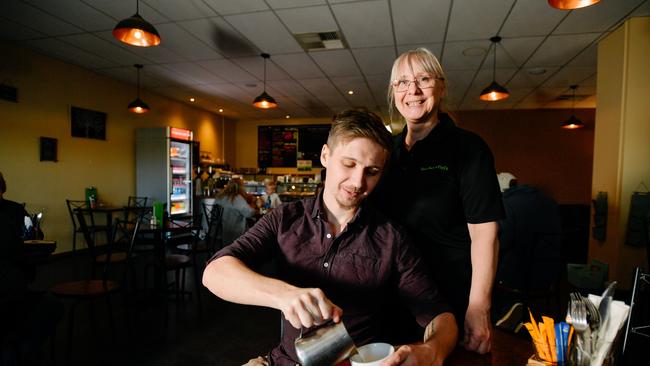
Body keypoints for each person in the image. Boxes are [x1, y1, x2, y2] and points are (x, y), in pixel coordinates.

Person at [203, 110, 458, 366]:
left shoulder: (391, 238)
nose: (358, 182)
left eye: (372, 171)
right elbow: (214, 273)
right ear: (325, 155)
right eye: (348, 164)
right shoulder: (285, 219)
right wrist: (284, 295)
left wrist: (431, 352)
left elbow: (440, 315)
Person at [371, 47, 504, 354]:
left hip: (449, 301)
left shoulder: (468, 149)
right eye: (402, 82)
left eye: (424, 79)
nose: (413, 90)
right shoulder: (385, 151)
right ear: (393, 93)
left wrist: (479, 308)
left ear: (441, 86)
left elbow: (486, 235)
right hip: (390, 300)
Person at [0, 171, 64, 365]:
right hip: (12, 295)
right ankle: (22, 351)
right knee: (53, 306)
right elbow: (35, 240)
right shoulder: (14, 211)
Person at [493, 172, 563, 331]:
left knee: (487, 268)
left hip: (521, 279)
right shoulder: (550, 202)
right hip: (551, 276)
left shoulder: (506, 205)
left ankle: (502, 316)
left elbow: (500, 244)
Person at [214, 177, 258, 245]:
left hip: (218, 230)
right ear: (241, 187)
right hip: (234, 233)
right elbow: (249, 213)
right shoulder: (236, 198)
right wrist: (254, 204)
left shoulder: (220, 196)